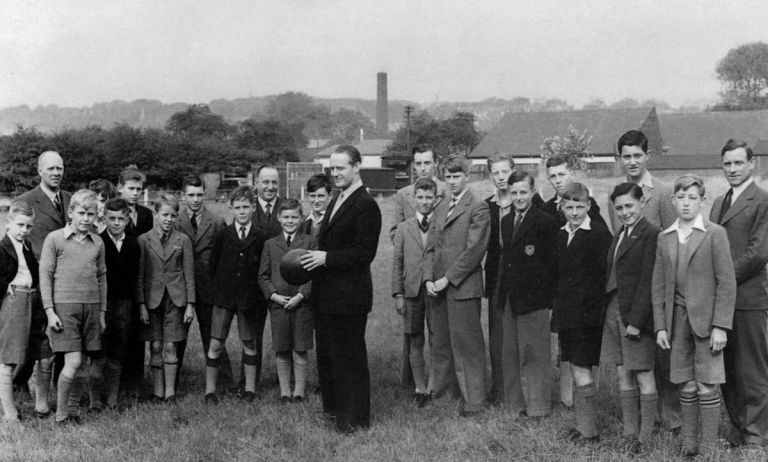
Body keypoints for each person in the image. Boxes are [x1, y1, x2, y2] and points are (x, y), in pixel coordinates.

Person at [653, 174, 736, 457]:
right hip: (677, 321)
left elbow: (726, 282)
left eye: (692, 198)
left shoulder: (714, 234)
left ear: (702, 201)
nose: (686, 203)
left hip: (707, 322)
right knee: (685, 382)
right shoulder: (665, 237)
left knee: (706, 383)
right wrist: (661, 326)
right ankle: (689, 444)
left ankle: (708, 447)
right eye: (681, 198)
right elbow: (658, 285)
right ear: (673, 200)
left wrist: (720, 325)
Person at [301, 144, 382, 432]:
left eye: (341, 168)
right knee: (328, 357)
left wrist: (327, 258)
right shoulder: (336, 198)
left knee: (349, 359)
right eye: (332, 168)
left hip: (349, 297)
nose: (335, 173)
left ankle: (354, 420)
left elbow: (364, 253)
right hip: (327, 295)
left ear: (357, 166)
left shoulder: (366, 204)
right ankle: (334, 412)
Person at [614, 130, 679, 432]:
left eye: (637, 155)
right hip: (633, 289)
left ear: (647, 156)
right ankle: (644, 417)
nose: (632, 161)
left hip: (660, 284)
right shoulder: (619, 195)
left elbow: (672, 240)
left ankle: (671, 416)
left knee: (664, 354)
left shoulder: (663, 193)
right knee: (638, 358)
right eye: (626, 156)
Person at [710, 139, 768, 448]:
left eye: (738, 163)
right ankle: (738, 429)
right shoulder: (719, 202)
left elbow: (758, 253)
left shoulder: (762, 200)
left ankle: (756, 436)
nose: (732, 169)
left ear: (751, 164)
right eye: (727, 164)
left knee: (752, 371)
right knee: (728, 369)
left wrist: (722, 280)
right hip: (722, 302)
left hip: (748, 299)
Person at [424, 155, 490, 417]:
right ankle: (443, 396)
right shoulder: (440, 206)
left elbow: (474, 251)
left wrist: (446, 279)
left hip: (463, 287)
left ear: (467, 177)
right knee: (441, 343)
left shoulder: (478, 207)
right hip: (437, 289)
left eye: (456, 176)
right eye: (448, 176)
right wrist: (428, 278)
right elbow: (430, 247)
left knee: (467, 345)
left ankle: (475, 401)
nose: (452, 181)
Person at [542, 153, 605, 407]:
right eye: (553, 176)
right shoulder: (554, 222)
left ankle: (588, 411)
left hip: (587, 309)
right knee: (569, 358)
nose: (558, 180)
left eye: (562, 174)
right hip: (565, 306)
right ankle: (573, 405)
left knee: (584, 361)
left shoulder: (596, 225)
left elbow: (600, 271)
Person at [39, 189, 107, 424]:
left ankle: (74, 410)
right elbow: (45, 276)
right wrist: (50, 311)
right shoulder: (55, 239)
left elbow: (102, 277)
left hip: (92, 307)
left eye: (91, 214)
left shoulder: (97, 242)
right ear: (70, 212)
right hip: (65, 309)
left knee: (83, 364)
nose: (86, 219)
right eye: (82, 213)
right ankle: (61, 414)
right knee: (73, 361)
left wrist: (101, 312)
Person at [552, 183, 612, 443]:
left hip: (588, 317)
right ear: (562, 207)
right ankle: (583, 426)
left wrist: (593, 313)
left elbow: (603, 279)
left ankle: (589, 432)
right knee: (575, 368)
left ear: (588, 206)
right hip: (567, 315)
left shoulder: (598, 234)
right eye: (569, 207)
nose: (574, 212)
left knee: (583, 368)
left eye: (579, 207)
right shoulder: (560, 234)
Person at [602, 183, 659, 452]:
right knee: (623, 372)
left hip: (636, 316)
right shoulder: (620, 234)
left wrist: (637, 321)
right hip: (614, 311)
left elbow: (649, 281)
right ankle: (629, 432)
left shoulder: (651, 234)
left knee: (643, 373)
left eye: (629, 206)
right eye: (619, 208)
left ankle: (646, 437)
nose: (625, 212)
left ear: (642, 203)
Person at [484, 153, 545, 404]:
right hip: (499, 273)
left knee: (527, 336)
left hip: (527, 275)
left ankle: (531, 395)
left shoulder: (533, 204)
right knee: (501, 334)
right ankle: (502, 391)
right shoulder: (489, 206)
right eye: (495, 173)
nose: (501, 177)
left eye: (505, 172)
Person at [497, 171, 557, 417]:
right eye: (514, 193)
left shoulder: (544, 221)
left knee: (534, 353)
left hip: (535, 299)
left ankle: (538, 406)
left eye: (523, 192)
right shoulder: (505, 221)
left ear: (533, 191)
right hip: (511, 296)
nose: (519, 197)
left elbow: (552, 263)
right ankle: (515, 405)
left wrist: (548, 298)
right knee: (511, 352)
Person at [15, 151, 70, 400]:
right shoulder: (26, 201)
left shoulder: (70, 199)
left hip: (68, 280)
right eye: (51, 168)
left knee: (64, 333)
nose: (56, 173)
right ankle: (19, 382)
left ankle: (60, 386)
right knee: (34, 334)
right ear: (39, 171)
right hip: (39, 279)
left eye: (59, 168)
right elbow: (17, 244)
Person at [205, 186, 266, 403]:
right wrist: (219, 291)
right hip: (224, 298)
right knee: (215, 343)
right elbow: (212, 265)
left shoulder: (261, 237)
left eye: (246, 207)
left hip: (248, 300)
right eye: (237, 207)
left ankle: (249, 389)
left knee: (249, 343)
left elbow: (263, 270)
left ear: (253, 208)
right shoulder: (223, 235)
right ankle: (210, 391)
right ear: (231, 208)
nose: (242, 212)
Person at [174, 175, 232, 392]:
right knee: (177, 337)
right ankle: (172, 384)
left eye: (199, 195)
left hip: (209, 288)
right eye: (191, 195)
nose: (196, 199)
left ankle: (224, 383)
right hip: (182, 289)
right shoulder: (174, 221)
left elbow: (224, 258)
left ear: (205, 195)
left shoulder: (217, 221)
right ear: (183, 196)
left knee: (213, 335)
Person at [136, 194, 195, 402]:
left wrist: (190, 304)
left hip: (175, 300)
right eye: (165, 215)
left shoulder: (182, 240)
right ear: (156, 214)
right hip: (152, 300)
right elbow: (140, 275)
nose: (169, 219)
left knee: (171, 346)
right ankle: (157, 391)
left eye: (173, 216)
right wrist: (141, 304)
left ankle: (170, 393)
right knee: (155, 346)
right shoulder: (144, 240)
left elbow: (189, 273)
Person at [258, 199, 317, 403]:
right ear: (279, 218)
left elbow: (314, 275)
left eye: (294, 217)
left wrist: (300, 296)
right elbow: (263, 276)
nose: (290, 221)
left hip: (302, 305)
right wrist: (274, 296)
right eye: (286, 217)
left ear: (301, 218)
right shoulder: (270, 244)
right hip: (279, 305)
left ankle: (299, 391)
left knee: (300, 348)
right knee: (282, 348)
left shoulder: (310, 242)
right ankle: (284, 391)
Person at [0, 200, 53, 422]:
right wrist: (6, 288)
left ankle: (42, 404)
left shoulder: (27, 246)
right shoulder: (2, 248)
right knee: (9, 359)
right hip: (14, 303)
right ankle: (10, 412)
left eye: (29, 226)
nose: (24, 230)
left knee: (45, 355)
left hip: (34, 300)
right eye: (20, 225)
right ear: (8, 222)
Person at [88, 198, 140, 411]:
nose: (116, 223)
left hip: (124, 305)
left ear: (127, 219)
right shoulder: (97, 242)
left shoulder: (133, 244)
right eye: (112, 218)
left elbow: (136, 277)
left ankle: (112, 399)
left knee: (117, 353)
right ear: (104, 219)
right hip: (102, 303)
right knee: (99, 353)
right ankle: (94, 400)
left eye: (121, 219)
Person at [391, 178, 438, 407]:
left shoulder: (441, 224)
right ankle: (420, 387)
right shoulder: (404, 227)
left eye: (429, 197)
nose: (424, 201)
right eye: (420, 197)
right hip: (411, 291)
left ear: (436, 199)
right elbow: (397, 262)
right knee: (415, 338)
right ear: (413, 198)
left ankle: (434, 386)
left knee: (437, 338)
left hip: (435, 290)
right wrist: (398, 294)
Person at [117, 165, 153, 398]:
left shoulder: (146, 214)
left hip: (140, 277)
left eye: (139, 189)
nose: (135, 193)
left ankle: (135, 383)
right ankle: (117, 382)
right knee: (120, 332)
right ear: (120, 188)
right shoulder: (113, 211)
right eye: (131, 188)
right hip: (119, 278)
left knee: (138, 333)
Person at [390, 144, 447, 241]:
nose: (423, 168)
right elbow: (396, 231)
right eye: (418, 164)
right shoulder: (403, 194)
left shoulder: (448, 191)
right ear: (414, 165)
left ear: (436, 163)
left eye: (427, 163)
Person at [254, 165, 283, 239]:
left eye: (274, 182)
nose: (270, 187)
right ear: (256, 183)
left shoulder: (287, 207)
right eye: (266, 182)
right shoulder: (247, 208)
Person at [301, 173, 332, 238]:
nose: (316, 201)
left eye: (321, 196)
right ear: (308, 196)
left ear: (330, 196)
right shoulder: (302, 222)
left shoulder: (334, 220)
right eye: (313, 196)